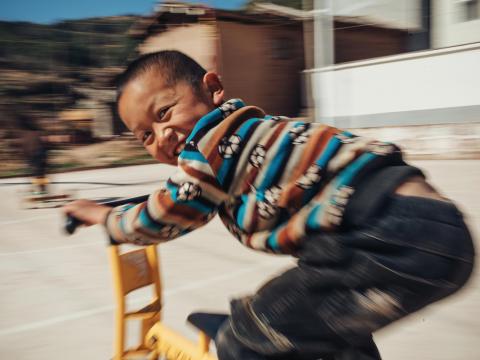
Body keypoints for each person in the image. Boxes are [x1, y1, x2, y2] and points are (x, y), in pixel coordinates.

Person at [63, 51, 475, 360]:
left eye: (165, 112)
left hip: (387, 237)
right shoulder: (257, 130)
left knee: (246, 339)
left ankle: (242, 335)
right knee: (333, 334)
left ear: (212, 88)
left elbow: (163, 215)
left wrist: (104, 217)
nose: (162, 133)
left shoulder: (207, 148)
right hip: (432, 229)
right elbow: (194, 194)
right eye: (145, 137)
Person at [18, 115, 50, 194]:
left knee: (36, 173)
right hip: (38, 155)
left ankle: (40, 189)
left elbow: (25, 147)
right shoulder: (37, 133)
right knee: (40, 174)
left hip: (35, 155)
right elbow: (44, 144)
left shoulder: (26, 135)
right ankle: (42, 189)